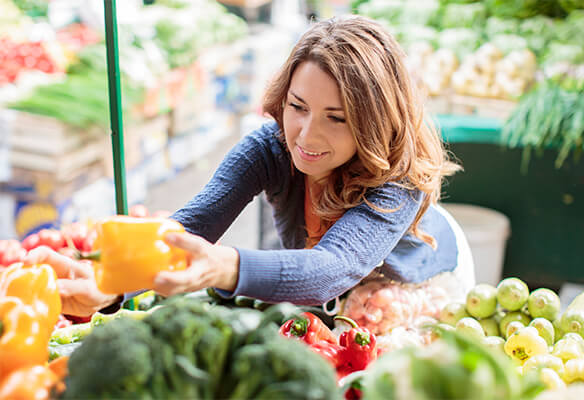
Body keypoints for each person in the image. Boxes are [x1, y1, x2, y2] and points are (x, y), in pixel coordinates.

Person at [27, 16, 475, 334]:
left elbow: (329, 269)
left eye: (336, 118)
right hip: (334, 292)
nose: (307, 134)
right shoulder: (272, 146)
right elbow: (187, 230)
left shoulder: (398, 181)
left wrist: (223, 265)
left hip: (417, 282)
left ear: (375, 122)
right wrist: (108, 286)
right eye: (298, 107)